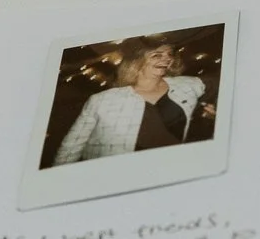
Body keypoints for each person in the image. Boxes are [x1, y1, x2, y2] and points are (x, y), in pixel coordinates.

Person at [53, 38, 213, 163]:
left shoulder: (188, 85)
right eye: (157, 55)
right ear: (136, 62)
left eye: (169, 54)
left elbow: (226, 84)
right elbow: (71, 147)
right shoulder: (102, 100)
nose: (167, 59)